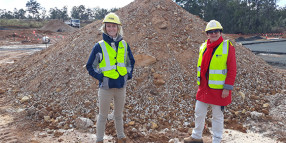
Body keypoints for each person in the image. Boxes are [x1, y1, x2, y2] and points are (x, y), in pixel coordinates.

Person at [184, 20, 237, 143]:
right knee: (199, 112)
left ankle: (217, 140)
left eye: (216, 31)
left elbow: (232, 69)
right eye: (211, 32)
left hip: (219, 89)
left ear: (220, 32)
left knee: (217, 116)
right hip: (204, 88)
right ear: (207, 34)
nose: (214, 34)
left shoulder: (227, 46)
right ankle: (196, 137)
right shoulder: (203, 47)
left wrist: (227, 88)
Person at [86, 12, 135, 143]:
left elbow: (131, 62)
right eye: (109, 26)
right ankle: (99, 140)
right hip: (106, 88)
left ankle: (121, 137)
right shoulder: (99, 46)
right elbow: (90, 66)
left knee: (118, 115)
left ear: (118, 27)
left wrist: (127, 75)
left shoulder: (124, 44)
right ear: (105, 28)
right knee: (102, 116)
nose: (111, 29)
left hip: (121, 86)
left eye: (114, 26)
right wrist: (100, 77)